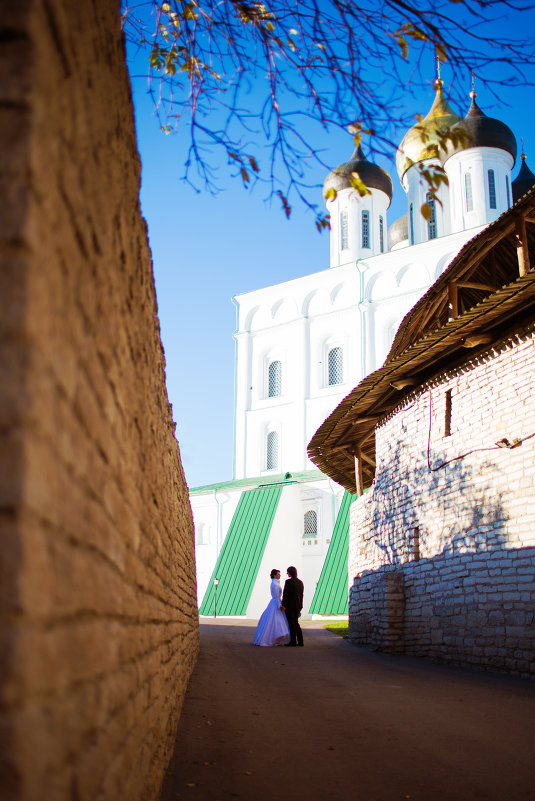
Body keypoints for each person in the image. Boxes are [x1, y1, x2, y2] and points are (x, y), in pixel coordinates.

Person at [253, 569, 291, 646]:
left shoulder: (275, 583)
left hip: (275, 602)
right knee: (277, 621)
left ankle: (277, 638)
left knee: (275, 621)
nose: (279, 575)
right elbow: (276, 595)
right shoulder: (274, 584)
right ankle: (275, 638)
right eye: (278, 574)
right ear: (274, 575)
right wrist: (279, 605)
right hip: (276, 603)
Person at [281, 565, 304, 646]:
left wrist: (283, 604)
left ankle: (293, 641)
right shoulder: (300, 582)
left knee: (291, 623)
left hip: (290, 606)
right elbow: (301, 595)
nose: (287, 574)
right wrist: (301, 605)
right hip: (298, 605)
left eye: (288, 572)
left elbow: (285, 594)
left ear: (290, 573)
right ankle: (300, 641)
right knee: (296, 623)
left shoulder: (288, 582)